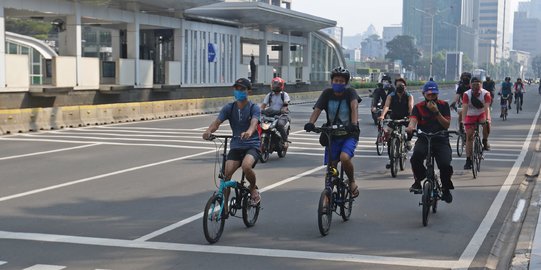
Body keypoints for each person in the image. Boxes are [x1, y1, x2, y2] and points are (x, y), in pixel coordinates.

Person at [202, 78, 261, 208]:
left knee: (246, 166)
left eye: (242, 89)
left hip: (252, 145)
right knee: (226, 175)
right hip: (236, 146)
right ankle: (225, 207)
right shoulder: (229, 108)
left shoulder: (254, 108)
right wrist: (208, 131)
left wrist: (249, 132)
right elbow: (217, 123)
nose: (238, 91)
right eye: (236, 89)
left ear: (248, 91)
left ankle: (252, 188)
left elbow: (254, 123)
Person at [304, 66, 360, 198]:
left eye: (341, 81)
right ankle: (327, 196)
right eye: (336, 80)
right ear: (331, 81)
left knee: (344, 158)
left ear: (346, 83)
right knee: (331, 168)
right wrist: (311, 123)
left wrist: (353, 124)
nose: (338, 83)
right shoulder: (327, 93)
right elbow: (317, 109)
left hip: (349, 134)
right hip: (332, 135)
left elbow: (354, 107)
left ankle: (351, 181)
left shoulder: (350, 92)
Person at [406, 81, 454, 203]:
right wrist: (410, 127)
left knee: (445, 165)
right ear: (424, 94)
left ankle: (446, 188)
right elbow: (413, 120)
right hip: (424, 138)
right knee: (415, 158)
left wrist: (436, 112)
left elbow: (446, 125)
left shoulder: (443, 105)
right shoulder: (418, 107)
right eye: (429, 95)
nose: (431, 97)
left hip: (440, 139)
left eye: (434, 95)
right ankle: (419, 179)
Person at [378, 77, 414, 155]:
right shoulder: (391, 96)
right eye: (398, 85)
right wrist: (382, 115)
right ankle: (391, 158)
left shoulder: (409, 96)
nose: (400, 87)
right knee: (389, 134)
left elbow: (410, 107)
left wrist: (412, 117)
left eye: (402, 85)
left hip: (405, 117)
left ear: (405, 87)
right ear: (395, 87)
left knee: (411, 129)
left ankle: (408, 141)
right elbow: (386, 106)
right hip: (394, 116)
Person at [462, 77, 492, 170]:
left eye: (478, 84)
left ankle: (485, 140)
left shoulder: (486, 94)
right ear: (470, 85)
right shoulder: (466, 94)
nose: (475, 86)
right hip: (470, 115)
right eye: (473, 84)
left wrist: (487, 119)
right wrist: (463, 121)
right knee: (469, 137)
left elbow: (486, 108)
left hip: (481, 113)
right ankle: (468, 160)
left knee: (486, 124)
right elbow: (465, 108)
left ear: (481, 85)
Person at [261, 76, 291, 145]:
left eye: (278, 85)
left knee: (280, 125)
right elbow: (263, 106)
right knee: (259, 123)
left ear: (281, 86)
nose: (276, 86)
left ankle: (285, 141)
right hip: (270, 114)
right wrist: (258, 112)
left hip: (281, 115)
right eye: (274, 84)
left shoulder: (284, 95)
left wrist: (283, 110)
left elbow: (285, 105)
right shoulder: (269, 95)